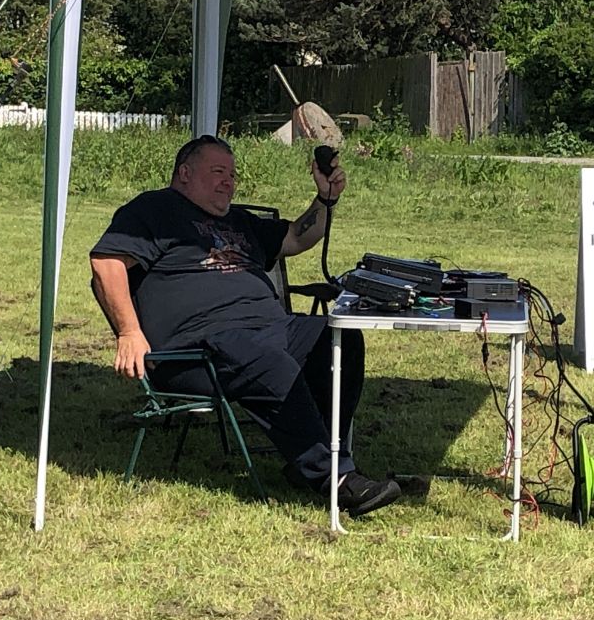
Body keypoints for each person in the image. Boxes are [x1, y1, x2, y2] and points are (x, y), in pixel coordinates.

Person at [90, 134, 400, 516]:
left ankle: (323, 452)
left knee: (338, 337)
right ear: (184, 173)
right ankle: (332, 478)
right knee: (265, 360)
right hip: (196, 350)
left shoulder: (239, 221)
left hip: (269, 329)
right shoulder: (154, 209)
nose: (229, 181)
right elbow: (106, 264)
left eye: (233, 174)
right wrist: (128, 333)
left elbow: (295, 237)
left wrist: (324, 200)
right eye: (218, 171)